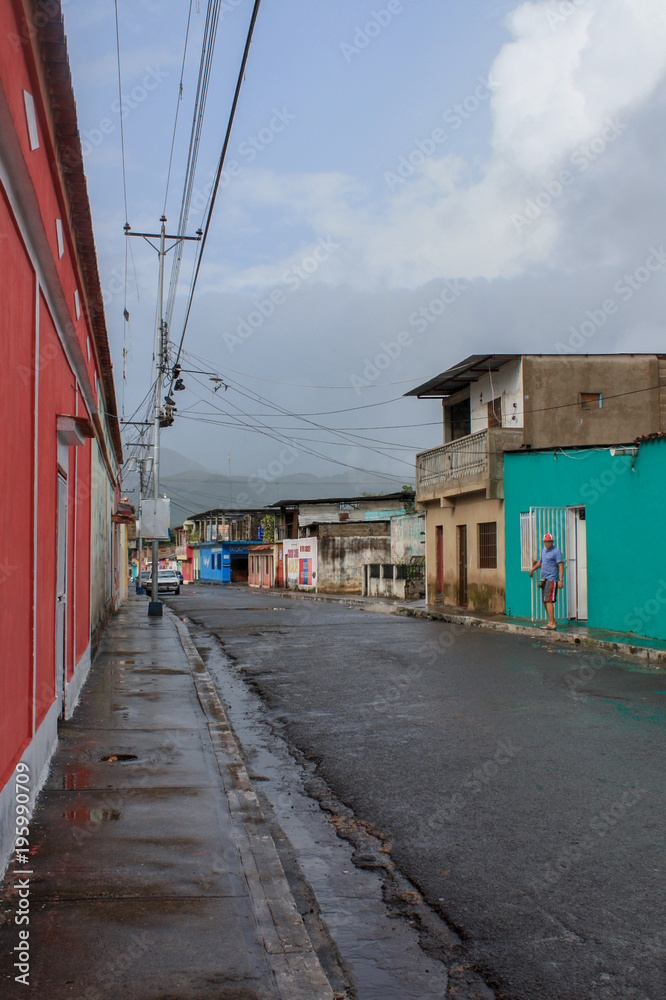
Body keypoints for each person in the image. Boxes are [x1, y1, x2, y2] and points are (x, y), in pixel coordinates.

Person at [529, 532, 564, 630]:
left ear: (552, 542)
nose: (547, 543)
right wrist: (532, 569)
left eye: (549, 542)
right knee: (544, 600)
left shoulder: (556, 552)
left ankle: (552, 623)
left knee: (548, 600)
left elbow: (561, 566)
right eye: (545, 542)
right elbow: (540, 562)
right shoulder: (543, 551)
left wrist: (560, 580)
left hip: (551, 579)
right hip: (544, 579)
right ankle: (551, 620)